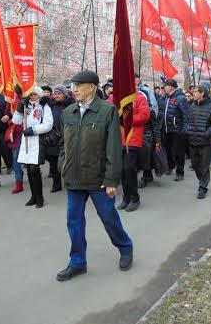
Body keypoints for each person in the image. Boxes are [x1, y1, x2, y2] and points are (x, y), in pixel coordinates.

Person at [57, 70, 133, 281]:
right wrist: (62, 164)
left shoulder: (107, 111)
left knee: (109, 218)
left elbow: (113, 149)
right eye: (73, 86)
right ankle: (77, 262)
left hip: (99, 179)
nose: (74, 90)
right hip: (73, 177)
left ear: (91, 86)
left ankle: (126, 248)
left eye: (78, 86)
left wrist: (111, 180)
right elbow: (63, 143)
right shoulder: (69, 112)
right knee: (74, 222)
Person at [12, 86, 53, 208]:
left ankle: (40, 197)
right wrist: (19, 109)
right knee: (29, 170)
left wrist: (33, 130)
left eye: (34, 94)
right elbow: (16, 121)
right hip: (26, 142)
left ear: (39, 95)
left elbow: (48, 124)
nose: (32, 96)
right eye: (30, 94)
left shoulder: (45, 107)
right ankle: (33, 196)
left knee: (35, 169)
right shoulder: (25, 105)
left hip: (38, 140)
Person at [109, 89, 150, 212]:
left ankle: (134, 198)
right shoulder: (115, 98)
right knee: (122, 171)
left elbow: (145, 115)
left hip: (132, 139)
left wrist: (127, 119)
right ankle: (126, 198)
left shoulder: (139, 97)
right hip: (117, 140)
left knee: (129, 169)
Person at [187, 85, 211, 199]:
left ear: (202, 93)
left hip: (205, 142)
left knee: (204, 166)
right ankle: (201, 180)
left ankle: (203, 187)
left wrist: (207, 133)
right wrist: (188, 130)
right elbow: (188, 120)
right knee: (196, 165)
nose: (194, 93)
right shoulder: (192, 106)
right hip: (193, 140)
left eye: (196, 92)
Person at [158, 79, 190, 181]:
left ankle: (180, 172)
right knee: (167, 149)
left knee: (179, 152)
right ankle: (171, 166)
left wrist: (185, 129)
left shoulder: (180, 98)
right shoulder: (165, 98)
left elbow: (186, 115)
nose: (164, 88)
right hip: (167, 128)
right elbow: (162, 112)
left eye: (165, 86)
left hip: (178, 129)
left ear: (171, 87)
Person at [46, 84, 75, 192]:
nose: (56, 95)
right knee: (53, 162)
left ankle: (71, 182)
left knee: (69, 161)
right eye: (55, 93)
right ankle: (56, 184)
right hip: (54, 137)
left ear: (64, 94)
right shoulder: (50, 105)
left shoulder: (71, 104)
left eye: (59, 93)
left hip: (68, 136)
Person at [5, 86, 24, 194]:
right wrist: (9, 119)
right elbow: (8, 112)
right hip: (16, 133)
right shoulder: (11, 98)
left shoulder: (30, 97)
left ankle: (34, 178)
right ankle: (18, 182)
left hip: (28, 132)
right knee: (16, 157)